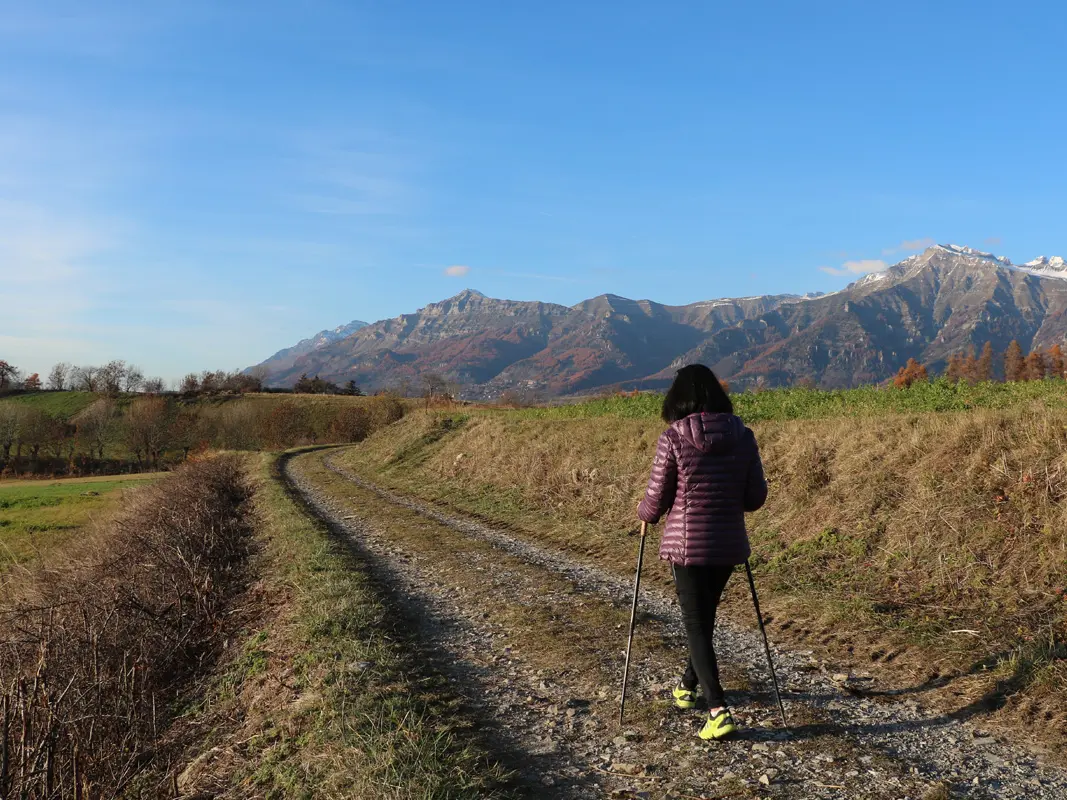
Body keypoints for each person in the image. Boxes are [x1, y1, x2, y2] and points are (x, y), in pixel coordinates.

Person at [637, 364, 767, 741]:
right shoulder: (744, 436)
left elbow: (658, 495)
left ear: (678, 398)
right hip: (728, 545)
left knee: (695, 623)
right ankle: (687, 686)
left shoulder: (673, 437)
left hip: (686, 546)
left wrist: (644, 514)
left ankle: (717, 709)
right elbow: (755, 498)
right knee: (703, 617)